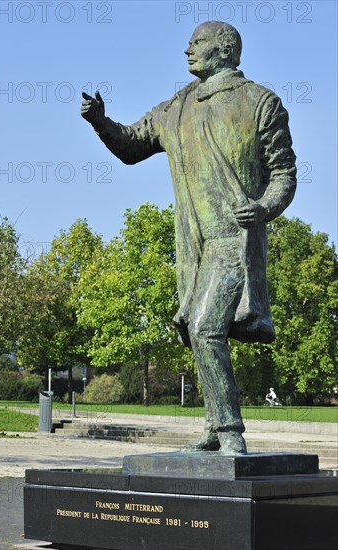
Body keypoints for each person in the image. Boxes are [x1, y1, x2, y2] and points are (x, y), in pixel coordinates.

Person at [81, 21, 296, 455]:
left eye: (197, 43)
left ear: (224, 49)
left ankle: (231, 431)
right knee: (196, 333)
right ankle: (215, 428)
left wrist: (263, 208)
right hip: (193, 249)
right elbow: (131, 145)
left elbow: (284, 173)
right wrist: (101, 123)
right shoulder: (175, 107)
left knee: (206, 327)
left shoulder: (259, 102)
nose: (187, 51)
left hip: (234, 241)